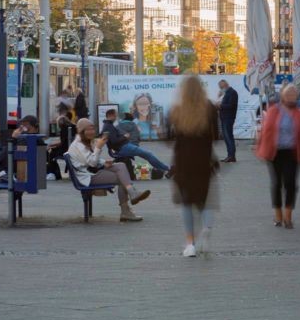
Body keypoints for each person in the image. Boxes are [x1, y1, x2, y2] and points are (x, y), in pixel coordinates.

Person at [170, 76, 219, 257]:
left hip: (183, 160)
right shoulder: (210, 108)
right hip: (204, 160)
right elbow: (216, 136)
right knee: (204, 200)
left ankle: (190, 243)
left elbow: (169, 136)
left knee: (186, 201)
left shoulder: (177, 109)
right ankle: (206, 228)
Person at [67, 118, 150, 222]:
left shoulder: (84, 141)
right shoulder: (78, 145)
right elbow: (91, 162)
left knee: (121, 166)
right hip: (87, 177)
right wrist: (98, 148)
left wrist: (104, 162)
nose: (91, 132)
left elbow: (90, 160)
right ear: (81, 131)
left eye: (92, 129)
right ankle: (126, 209)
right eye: (87, 130)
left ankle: (131, 195)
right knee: (122, 178)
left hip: (91, 172)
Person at [256, 84, 300, 229]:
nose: (291, 96)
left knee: (291, 184)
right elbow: (265, 132)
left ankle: (288, 215)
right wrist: (260, 149)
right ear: (282, 96)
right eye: (288, 94)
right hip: (275, 152)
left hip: (291, 152)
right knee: (277, 184)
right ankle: (278, 214)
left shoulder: (299, 113)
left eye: (294, 94)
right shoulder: (273, 111)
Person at [101, 108, 171, 175]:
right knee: (148, 154)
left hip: (124, 147)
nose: (116, 117)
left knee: (147, 154)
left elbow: (112, 140)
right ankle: (167, 168)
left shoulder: (108, 125)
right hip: (124, 147)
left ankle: (163, 168)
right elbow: (114, 141)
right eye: (115, 116)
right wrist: (124, 137)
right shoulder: (108, 126)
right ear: (110, 116)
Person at [216, 79, 238, 162]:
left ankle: (232, 156)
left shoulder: (232, 93)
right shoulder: (225, 93)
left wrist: (221, 106)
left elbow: (231, 105)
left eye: (221, 87)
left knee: (229, 137)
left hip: (228, 118)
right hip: (224, 117)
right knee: (226, 137)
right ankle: (229, 155)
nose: (221, 88)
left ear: (226, 85)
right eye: (220, 87)